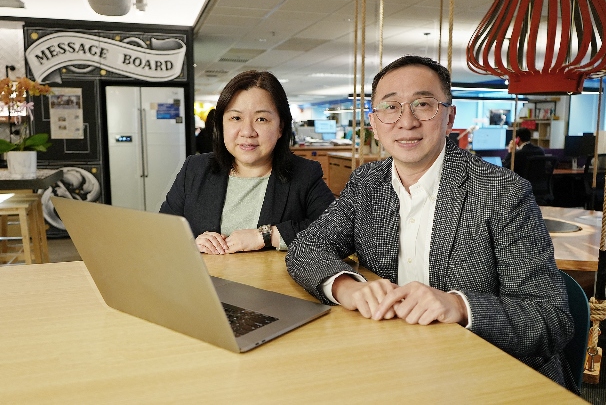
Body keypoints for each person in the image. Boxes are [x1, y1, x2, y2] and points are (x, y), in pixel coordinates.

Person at [286, 55, 576, 392]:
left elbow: (550, 319)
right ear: (375, 122)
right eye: (391, 107)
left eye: (423, 104)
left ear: (450, 117)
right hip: (396, 364)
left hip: (492, 375)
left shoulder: (503, 192)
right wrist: (348, 287)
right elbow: (307, 248)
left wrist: (458, 306)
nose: (406, 122)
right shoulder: (367, 182)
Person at [161, 70, 335, 254]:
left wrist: (268, 236)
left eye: (261, 119)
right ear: (221, 124)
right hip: (203, 281)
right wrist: (190, 243)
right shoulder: (195, 169)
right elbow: (162, 232)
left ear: (280, 127)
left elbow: (336, 231)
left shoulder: (304, 174)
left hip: (268, 282)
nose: (247, 131)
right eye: (236, 118)